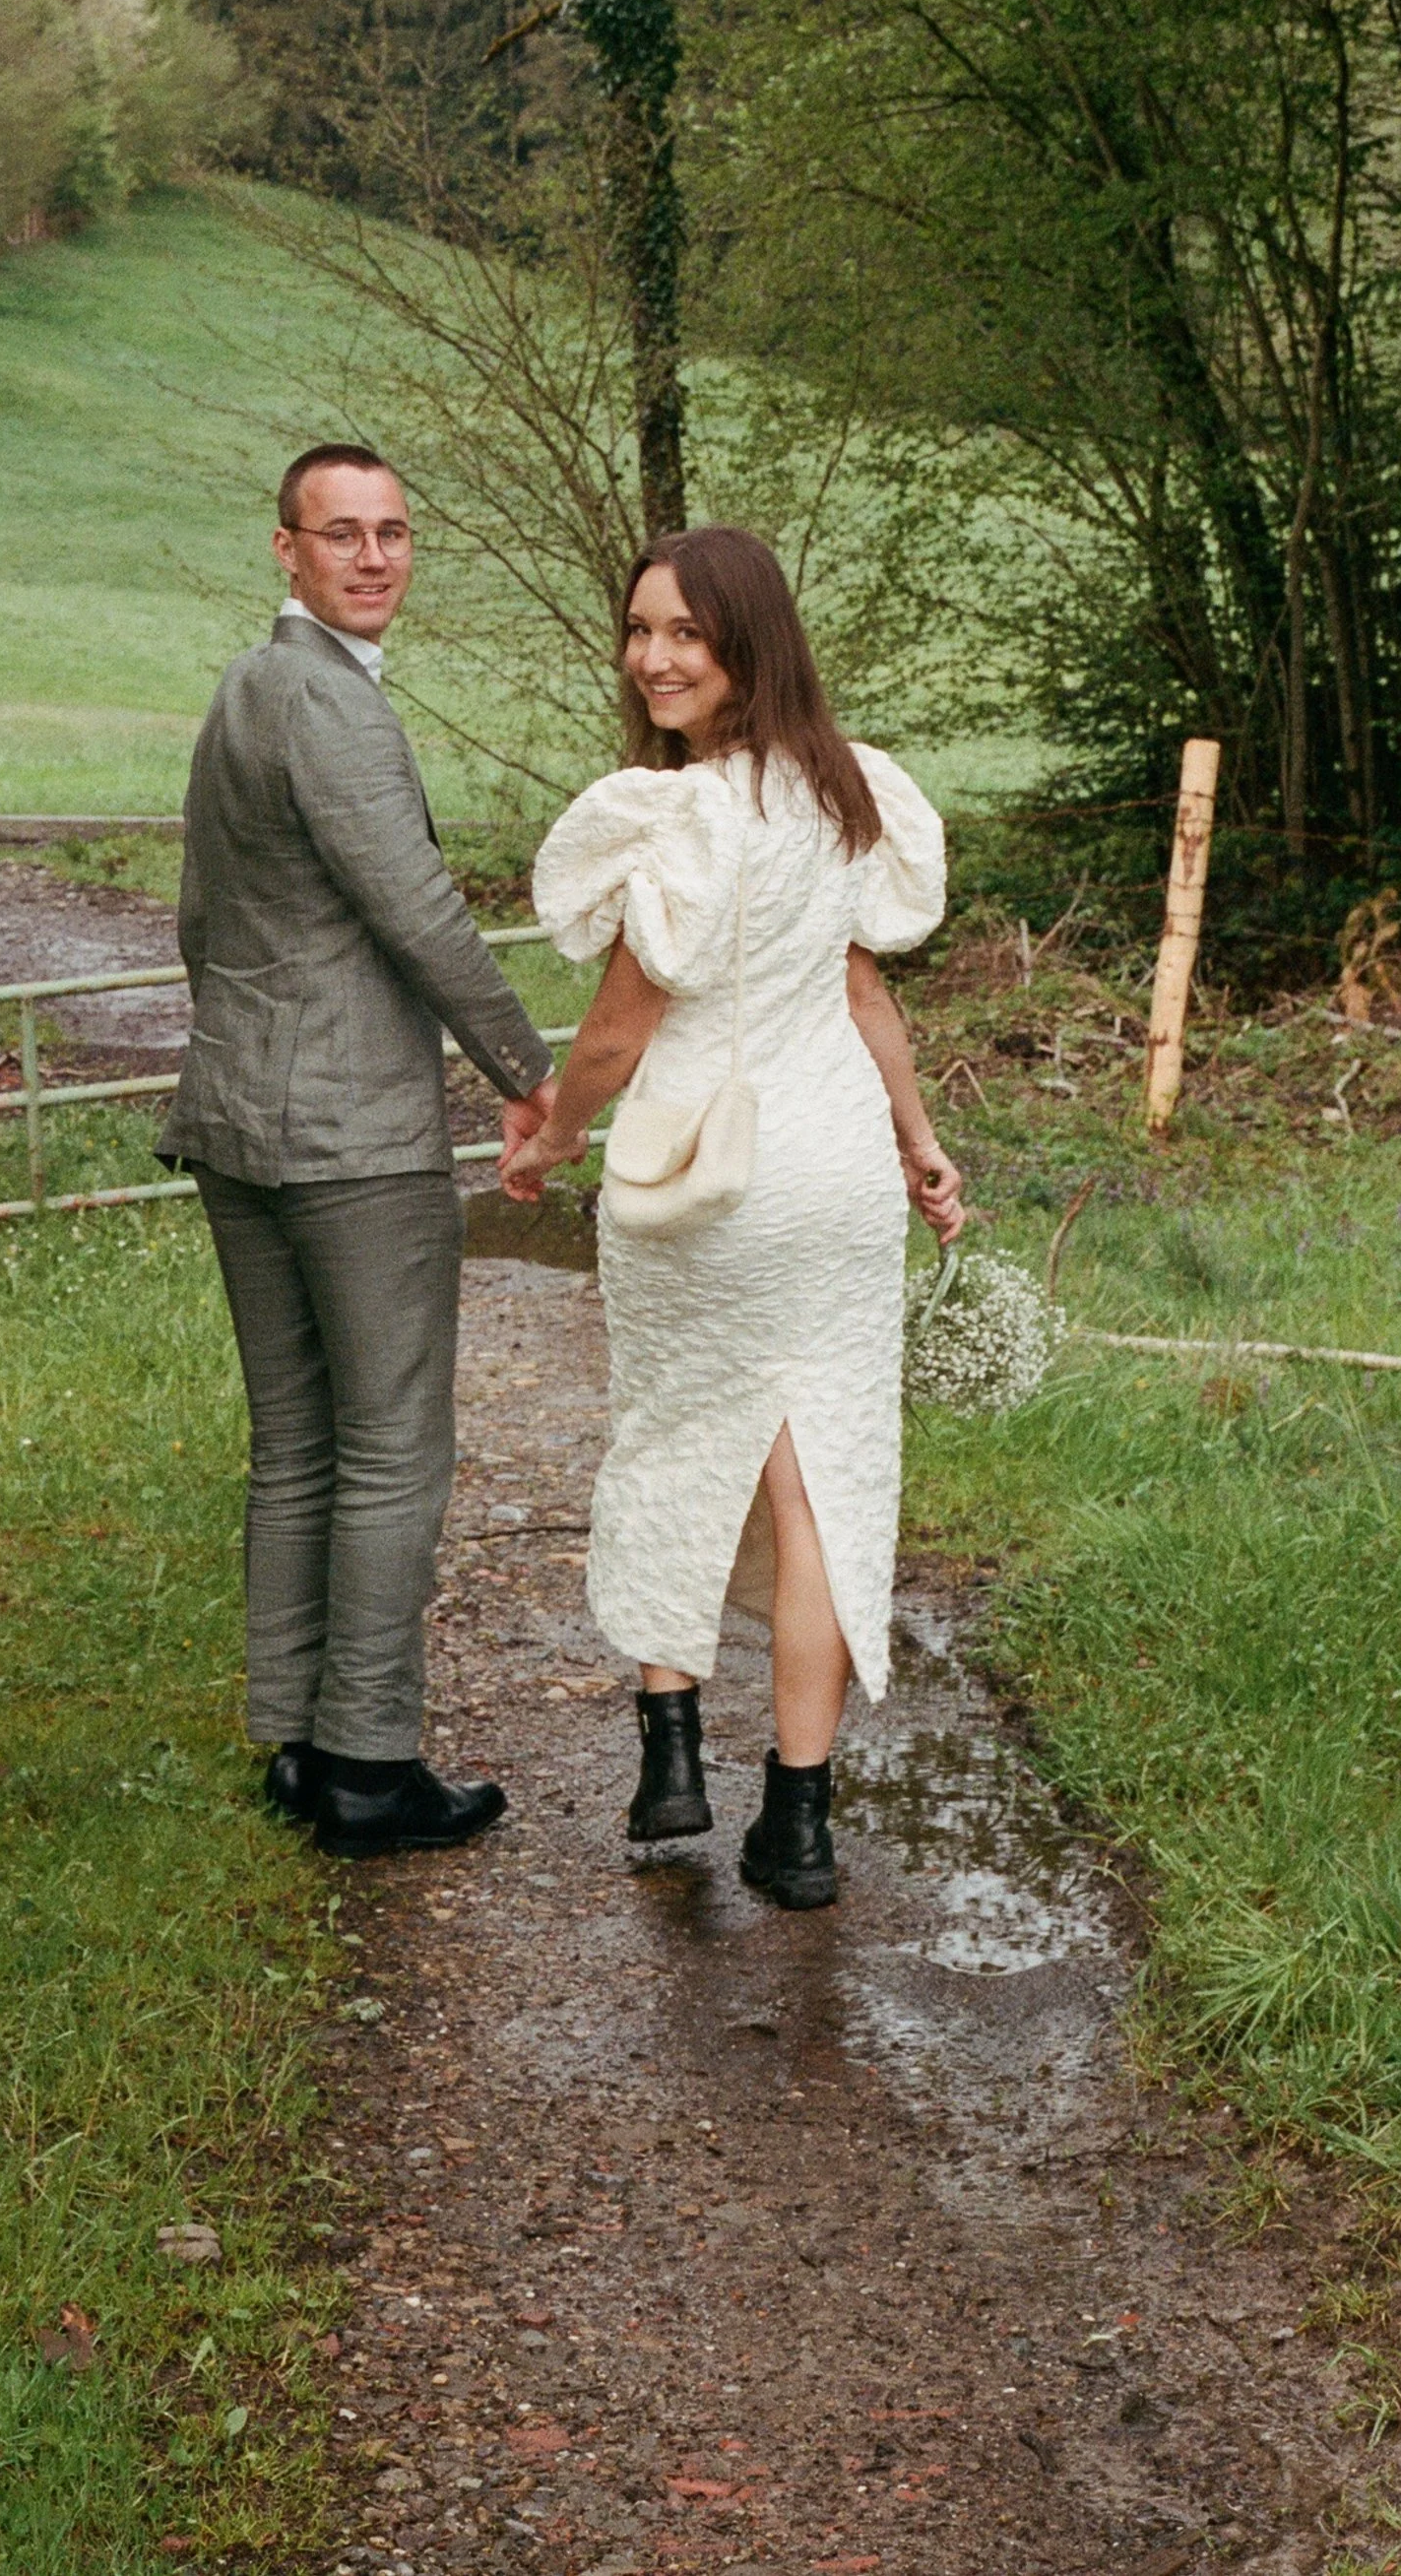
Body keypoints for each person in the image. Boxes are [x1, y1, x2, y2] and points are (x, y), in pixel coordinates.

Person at [501, 526, 966, 1909]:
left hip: (710, 1173)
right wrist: (918, 1145)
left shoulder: (692, 813)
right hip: (832, 1178)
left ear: (745, 644)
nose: (652, 656)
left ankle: (672, 1756)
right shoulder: (845, 792)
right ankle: (802, 1826)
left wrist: (556, 1127)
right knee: (816, 1477)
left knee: (673, 1430)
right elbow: (864, 996)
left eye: (683, 635)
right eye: (640, 630)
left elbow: (625, 1020)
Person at [158, 443, 558, 1859]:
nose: (374, 557)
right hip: (351, 1139)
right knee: (392, 1445)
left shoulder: (240, 694)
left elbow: (201, 920)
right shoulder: (329, 701)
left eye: (393, 533)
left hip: (236, 1121)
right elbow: (425, 917)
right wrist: (534, 1075)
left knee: (298, 1439)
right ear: (286, 550)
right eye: (343, 534)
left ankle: (296, 1745)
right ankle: (371, 1764)